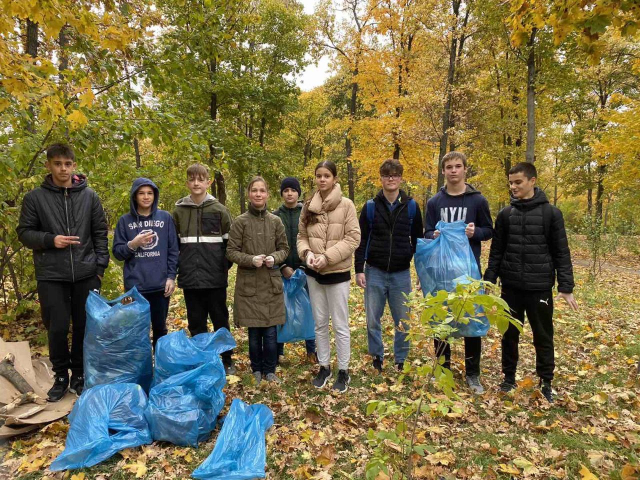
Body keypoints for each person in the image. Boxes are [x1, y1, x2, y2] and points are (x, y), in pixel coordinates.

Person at [16, 143, 109, 401]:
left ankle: (79, 375)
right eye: (57, 164)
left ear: (74, 165)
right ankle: (60, 377)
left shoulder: (89, 196)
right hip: (51, 275)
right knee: (56, 327)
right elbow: (24, 232)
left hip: (86, 273)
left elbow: (100, 233)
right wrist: (50, 239)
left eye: (67, 164)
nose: (63, 169)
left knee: (83, 326)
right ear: (48, 166)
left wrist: (99, 268)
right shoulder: (35, 198)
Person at [485, 162, 578, 403]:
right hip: (511, 288)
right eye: (511, 183)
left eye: (518, 182)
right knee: (509, 335)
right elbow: (496, 251)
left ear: (532, 181)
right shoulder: (506, 215)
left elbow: (561, 252)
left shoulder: (551, 214)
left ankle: (546, 381)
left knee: (543, 336)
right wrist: (489, 280)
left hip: (540, 288)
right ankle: (508, 378)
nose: (513, 187)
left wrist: (565, 287)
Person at [424, 151, 493, 394]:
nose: (453, 171)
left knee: (470, 322)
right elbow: (426, 233)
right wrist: (432, 235)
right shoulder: (434, 203)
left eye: (457, 166)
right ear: (443, 171)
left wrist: (477, 233)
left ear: (465, 169)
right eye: (449, 167)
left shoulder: (478, 201)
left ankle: (473, 375)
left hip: (468, 272)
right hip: (441, 272)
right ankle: (443, 371)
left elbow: (489, 230)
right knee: (442, 321)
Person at [354, 159, 423, 374]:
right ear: (381, 178)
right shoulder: (370, 207)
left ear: (401, 178)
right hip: (374, 270)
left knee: (403, 320)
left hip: (401, 273)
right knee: (373, 319)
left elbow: (418, 240)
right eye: (386, 175)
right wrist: (358, 269)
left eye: (394, 175)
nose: (390, 178)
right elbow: (362, 239)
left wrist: (419, 270)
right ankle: (377, 357)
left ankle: (401, 359)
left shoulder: (411, 207)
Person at [297, 161, 361, 393]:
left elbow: (353, 238)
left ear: (334, 178)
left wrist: (328, 256)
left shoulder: (346, 205)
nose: (322, 179)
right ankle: (324, 366)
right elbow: (301, 236)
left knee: (340, 325)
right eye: (318, 176)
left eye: (326, 176)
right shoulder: (308, 206)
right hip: (314, 274)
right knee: (320, 323)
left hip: (337, 274)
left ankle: (343, 370)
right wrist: (307, 254)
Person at [173, 163, 235, 374]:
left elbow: (230, 244)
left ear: (208, 182)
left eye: (201, 179)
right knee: (196, 322)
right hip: (190, 278)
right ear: (187, 182)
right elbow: (175, 244)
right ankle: (202, 359)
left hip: (215, 277)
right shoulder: (179, 212)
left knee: (220, 319)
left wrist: (222, 267)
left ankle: (226, 359)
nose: (196, 183)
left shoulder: (219, 210)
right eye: (192, 179)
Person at [226, 176, 289, 384]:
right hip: (249, 285)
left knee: (271, 333)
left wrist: (275, 258)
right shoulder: (240, 222)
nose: (258, 194)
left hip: (271, 284)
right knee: (254, 333)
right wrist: (250, 260)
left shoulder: (276, 221)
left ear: (267, 194)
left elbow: (284, 249)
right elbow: (231, 252)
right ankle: (256, 370)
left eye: (262, 190)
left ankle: (270, 371)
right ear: (249, 194)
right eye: (255, 190)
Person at [112, 178, 179, 347]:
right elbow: (117, 253)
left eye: (150, 193)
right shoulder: (125, 221)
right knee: (136, 331)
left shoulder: (165, 218)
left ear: (155, 196)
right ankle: (141, 369)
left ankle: (160, 367)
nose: (146, 197)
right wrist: (133, 244)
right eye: (141, 193)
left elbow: (173, 250)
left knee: (160, 329)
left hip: (160, 286)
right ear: (135, 196)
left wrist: (171, 276)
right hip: (135, 287)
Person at [273, 177, 317, 365]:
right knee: (281, 310)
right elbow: (271, 243)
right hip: (282, 271)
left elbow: (314, 239)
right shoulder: (275, 216)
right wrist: (282, 266)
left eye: (293, 190)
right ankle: (279, 351)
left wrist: (303, 266)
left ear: (298, 192)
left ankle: (311, 350)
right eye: (286, 190)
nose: (289, 193)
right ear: (281, 193)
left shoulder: (307, 213)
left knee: (309, 309)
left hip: (305, 270)